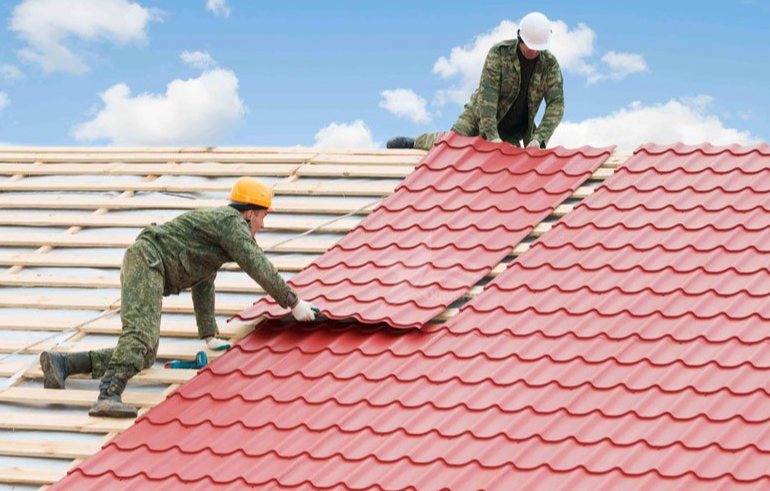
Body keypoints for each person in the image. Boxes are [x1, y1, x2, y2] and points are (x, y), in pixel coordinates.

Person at [39, 177, 318, 418]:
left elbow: (204, 281)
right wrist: (292, 302)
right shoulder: (231, 225)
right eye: (263, 216)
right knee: (140, 338)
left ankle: (63, 364)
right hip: (148, 260)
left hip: (148, 263)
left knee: (146, 355)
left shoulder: (217, 238)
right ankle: (108, 396)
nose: (263, 225)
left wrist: (208, 334)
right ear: (249, 214)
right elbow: (258, 265)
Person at [388, 12, 564, 151]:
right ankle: (415, 143)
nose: (534, 52)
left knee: (507, 163)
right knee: (452, 145)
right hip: (479, 114)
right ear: (520, 39)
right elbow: (488, 96)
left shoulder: (549, 65)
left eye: (538, 48)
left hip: (513, 129)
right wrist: (491, 136)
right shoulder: (499, 54)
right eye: (530, 47)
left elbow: (556, 105)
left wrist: (539, 137)